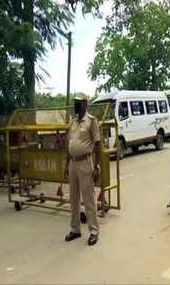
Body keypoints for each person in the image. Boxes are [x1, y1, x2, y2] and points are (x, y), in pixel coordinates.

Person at [64, 93, 101, 246]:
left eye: (78, 103)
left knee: (88, 199)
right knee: (73, 198)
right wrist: (66, 164)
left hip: (85, 162)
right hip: (73, 163)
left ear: (85, 104)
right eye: (75, 102)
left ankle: (94, 231)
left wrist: (97, 166)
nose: (76, 105)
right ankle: (75, 229)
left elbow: (98, 144)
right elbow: (69, 144)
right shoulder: (72, 122)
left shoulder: (91, 121)